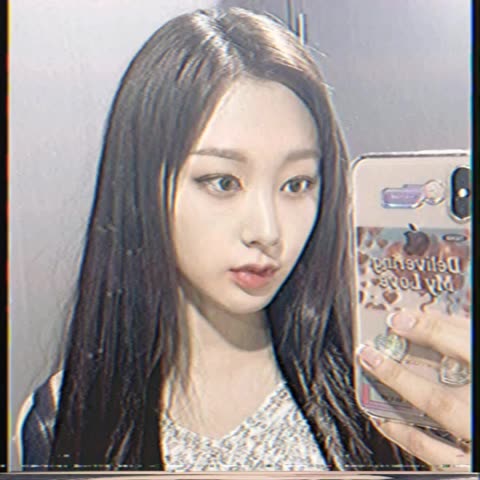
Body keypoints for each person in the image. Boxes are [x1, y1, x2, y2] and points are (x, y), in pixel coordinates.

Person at [19, 7, 471, 472]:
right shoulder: (65, 415)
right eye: (223, 182)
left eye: (296, 184)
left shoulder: (387, 387)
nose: (267, 232)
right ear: (141, 186)